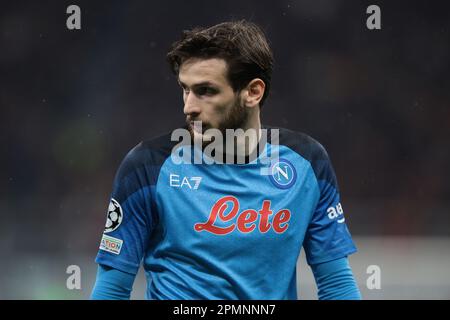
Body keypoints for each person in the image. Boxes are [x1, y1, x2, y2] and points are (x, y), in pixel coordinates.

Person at [91, 20, 361, 300]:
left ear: (253, 92)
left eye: (206, 91)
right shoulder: (147, 166)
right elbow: (112, 289)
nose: (189, 107)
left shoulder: (307, 164)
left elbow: (337, 285)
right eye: (185, 89)